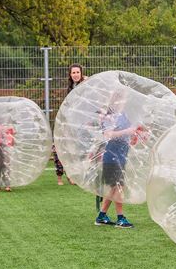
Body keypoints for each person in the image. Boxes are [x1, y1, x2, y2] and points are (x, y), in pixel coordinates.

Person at [93, 90, 145, 229]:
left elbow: (128, 132)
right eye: (122, 99)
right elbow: (108, 134)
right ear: (115, 101)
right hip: (111, 155)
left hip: (121, 154)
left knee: (114, 187)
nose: (124, 102)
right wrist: (128, 132)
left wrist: (136, 135)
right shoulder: (108, 116)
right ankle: (121, 218)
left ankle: (102, 216)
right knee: (119, 186)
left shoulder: (124, 115)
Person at [53, 64, 85, 185]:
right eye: (73, 73)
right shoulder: (71, 88)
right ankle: (70, 174)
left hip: (84, 122)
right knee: (69, 148)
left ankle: (78, 174)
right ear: (70, 75)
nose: (76, 75)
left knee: (80, 150)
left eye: (78, 72)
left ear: (81, 74)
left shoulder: (86, 84)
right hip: (72, 122)